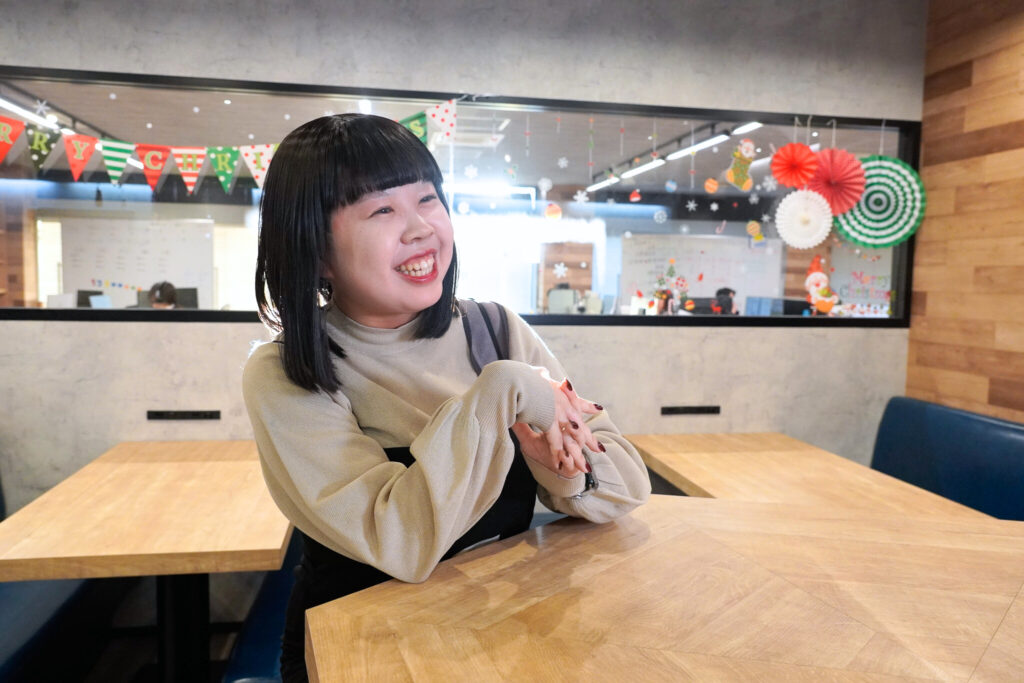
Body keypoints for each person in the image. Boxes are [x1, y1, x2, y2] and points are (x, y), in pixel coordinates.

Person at [242, 114, 651, 682]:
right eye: (382, 210)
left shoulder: (494, 329)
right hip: (360, 649)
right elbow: (400, 544)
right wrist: (499, 394)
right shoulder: (289, 371)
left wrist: (556, 466)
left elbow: (627, 488)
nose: (420, 228)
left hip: (502, 631)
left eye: (428, 199)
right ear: (316, 250)